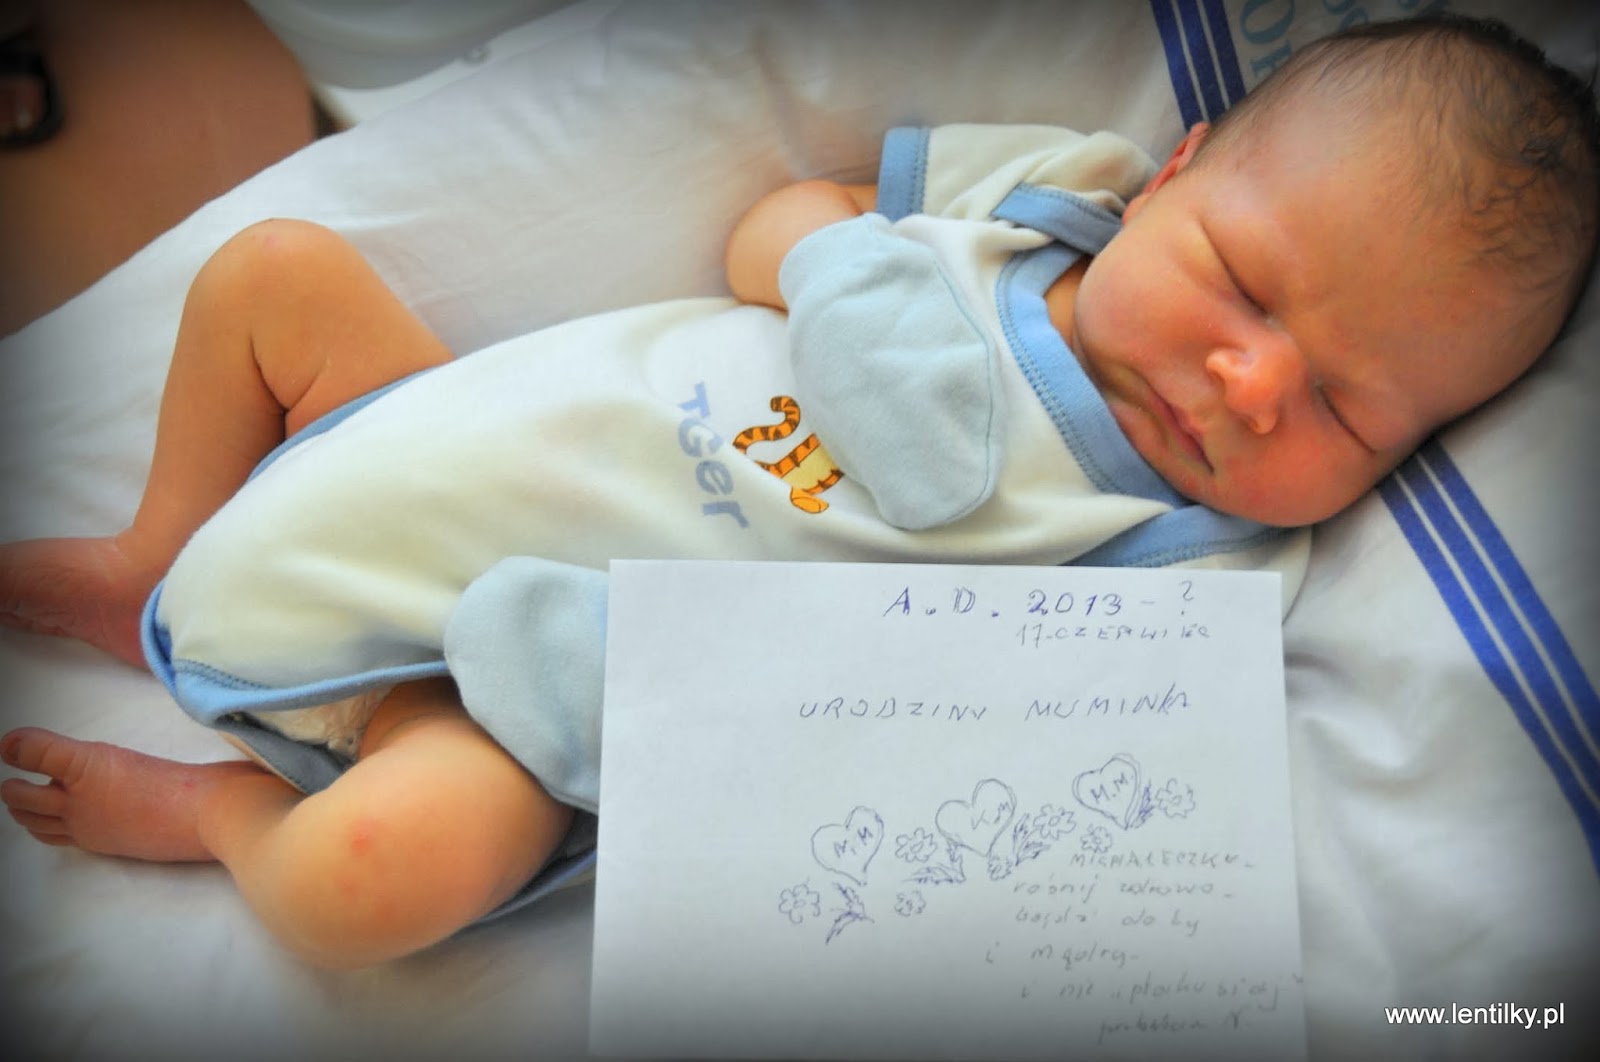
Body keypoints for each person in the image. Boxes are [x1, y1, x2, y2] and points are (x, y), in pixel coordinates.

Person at [1, 14, 1596, 969]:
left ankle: (218, 814)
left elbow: (985, 723)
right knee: (273, 269)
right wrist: (840, 278)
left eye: (1347, 406)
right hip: (432, 419)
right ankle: (155, 549)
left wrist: (651, 692)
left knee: (379, 881)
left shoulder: (1202, 559)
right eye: (1244, 284)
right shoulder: (1043, 200)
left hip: (487, 685)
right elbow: (775, 220)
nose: (1253, 383)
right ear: (1171, 176)